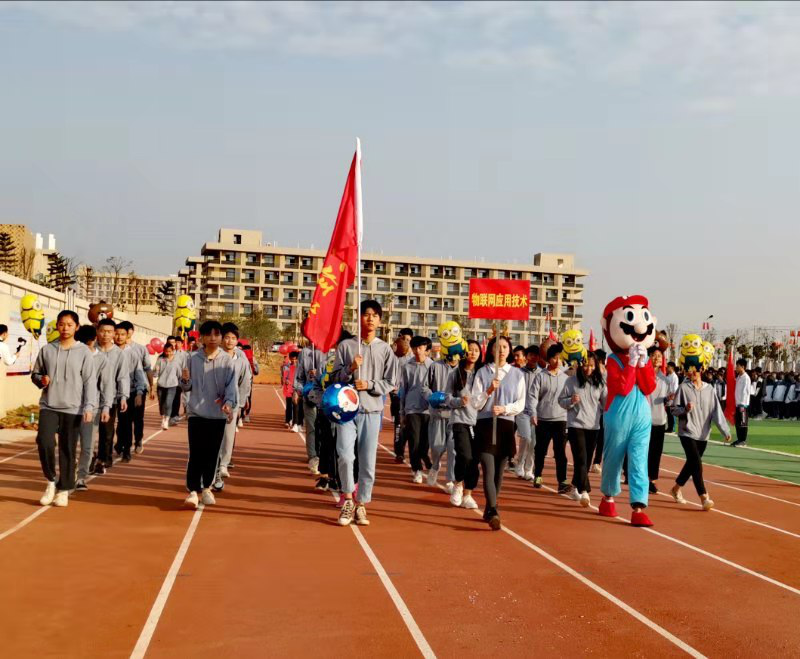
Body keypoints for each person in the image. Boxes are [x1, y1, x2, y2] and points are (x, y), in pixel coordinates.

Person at [331, 300, 398, 527]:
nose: (370, 318)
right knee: (345, 455)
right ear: (359, 317)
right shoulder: (346, 346)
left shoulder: (385, 349)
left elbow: (391, 381)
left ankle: (361, 503)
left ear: (380, 320)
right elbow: (335, 377)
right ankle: (348, 498)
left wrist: (369, 384)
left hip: (372, 410)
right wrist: (350, 368)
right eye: (366, 314)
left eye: (374, 315)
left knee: (368, 460)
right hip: (346, 411)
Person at [32, 310, 97, 508]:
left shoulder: (84, 352)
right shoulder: (47, 350)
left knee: (67, 449)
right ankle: (51, 481)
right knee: (44, 441)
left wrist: (89, 406)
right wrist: (41, 380)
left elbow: (90, 381)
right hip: (49, 405)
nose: (65, 328)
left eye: (69, 324)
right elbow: (36, 374)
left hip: (73, 408)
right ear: (57, 326)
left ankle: (63, 490)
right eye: (61, 324)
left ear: (76, 327)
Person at [179, 320, 238, 509]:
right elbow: (186, 387)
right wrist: (185, 380)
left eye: (216, 334)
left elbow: (231, 387)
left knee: (212, 454)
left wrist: (228, 404)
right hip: (196, 413)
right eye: (208, 334)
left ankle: (206, 488)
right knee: (196, 453)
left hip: (217, 415)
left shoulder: (227, 361)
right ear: (202, 338)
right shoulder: (191, 358)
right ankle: (192, 491)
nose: (213, 338)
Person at [472, 336, 525, 530]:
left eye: (504, 347)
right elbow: (475, 403)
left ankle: (489, 507)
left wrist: (505, 409)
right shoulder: (482, 372)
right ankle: (494, 510)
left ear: (509, 350)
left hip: (505, 425)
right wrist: (488, 390)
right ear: (491, 350)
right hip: (485, 424)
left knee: (499, 474)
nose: (501, 350)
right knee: (488, 469)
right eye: (497, 347)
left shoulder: (517, 374)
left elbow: (521, 403)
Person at [670, 363, 731, 510]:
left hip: (703, 434)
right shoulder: (683, 388)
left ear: (701, 370)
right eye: (690, 370)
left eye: (695, 370)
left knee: (691, 464)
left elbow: (716, 411)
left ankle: (676, 489)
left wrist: (725, 430)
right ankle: (704, 497)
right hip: (687, 431)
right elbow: (673, 409)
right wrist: (685, 409)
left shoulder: (709, 389)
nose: (693, 373)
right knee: (696, 463)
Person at [559, 351, 606, 507]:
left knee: (586, 461)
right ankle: (585, 491)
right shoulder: (571, 381)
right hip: (576, 425)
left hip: (594, 426)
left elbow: (606, 403)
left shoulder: (600, 383)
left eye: (592, 366)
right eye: (586, 365)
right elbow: (561, 401)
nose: (588, 369)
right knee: (581, 459)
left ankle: (575, 486)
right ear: (580, 365)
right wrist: (571, 400)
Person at [213, 322, 252, 490]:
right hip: (214, 402)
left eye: (233, 338)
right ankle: (213, 464)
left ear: (237, 340)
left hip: (232, 403)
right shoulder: (215, 356)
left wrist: (241, 402)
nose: (229, 341)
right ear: (222, 339)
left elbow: (245, 382)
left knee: (228, 436)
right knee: (215, 435)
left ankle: (224, 464)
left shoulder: (241, 360)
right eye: (227, 337)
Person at [446, 339, 483, 509]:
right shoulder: (455, 374)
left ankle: (468, 494)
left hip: (479, 421)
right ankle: (458, 484)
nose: (473, 353)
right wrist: (458, 401)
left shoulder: (482, 374)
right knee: (464, 455)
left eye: (476, 350)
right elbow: (447, 398)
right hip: (460, 420)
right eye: (470, 349)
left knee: (475, 460)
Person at [74, 324, 111, 491]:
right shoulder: (73, 355)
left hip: (91, 408)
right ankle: (70, 472)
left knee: (87, 445)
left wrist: (106, 407)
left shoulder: (102, 360)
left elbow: (106, 385)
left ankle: (81, 477)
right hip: (70, 407)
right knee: (70, 444)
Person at [530, 343, 570, 492]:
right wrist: (533, 413)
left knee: (560, 452)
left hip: (561, 419)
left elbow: (569, 398)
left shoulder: (566, 378)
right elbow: (533, 397)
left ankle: (562, 481)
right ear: (548, 359)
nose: (557, 361)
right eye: (554, 358)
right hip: (543, 419)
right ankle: (538, 475)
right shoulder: (540, 376)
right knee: (540, 450)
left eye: (559, 358)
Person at [93, 318, 129, 475]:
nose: (105, 335)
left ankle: (104, 458)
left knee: (106, 431)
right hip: (90, 398)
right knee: (88, 431)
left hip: (110, 399)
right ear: (97, 332)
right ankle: (90, 456)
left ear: (114, 334)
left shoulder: (119, 354)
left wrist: (123, 396)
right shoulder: (90, 350)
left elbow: (123, 377)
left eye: (109, 332)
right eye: (102, 331)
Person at [399, 335, 433, 484]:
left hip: (428, 409)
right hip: (412, 408)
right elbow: (403, 389)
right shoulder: (407, 366)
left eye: (420, 347)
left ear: (426, 349)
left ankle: (426, 458)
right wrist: (402, 412)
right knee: (414, 440)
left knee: (425, 443)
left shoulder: (433, 366)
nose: (417, 351)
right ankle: (417, 469)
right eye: (414, 348)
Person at [423, 349, 458, 491]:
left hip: (455, 416)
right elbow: (425, 387)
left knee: (453, 449)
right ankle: (435, 465)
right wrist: (431, 397)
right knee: (437, 447)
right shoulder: (435, 366)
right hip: (437, 414)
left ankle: (450, 480)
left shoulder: (462, 370)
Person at [119, 321, 153, 454]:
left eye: (126, 332)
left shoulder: (140, 349)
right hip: (121, 391)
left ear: (131, 332)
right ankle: (122, 442)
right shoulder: (114, 349)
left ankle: (138, 440)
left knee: (138, 418)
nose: (122, 336)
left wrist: (150, 386)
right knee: (124, 420)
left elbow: (147, 368)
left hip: (138, 388)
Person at [114, 323, 146, 463]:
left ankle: (127, 449)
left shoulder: (132, 353)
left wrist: (139, 393)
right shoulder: (109, 352)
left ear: (127, 335)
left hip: (129, 393)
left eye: (122, 334)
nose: (119, 337)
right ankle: (118, 443)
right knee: (117, 424)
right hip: (111, 394)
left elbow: (139, 375)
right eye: (117, 333)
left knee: (126, 423)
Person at [293, 340, 327, 473]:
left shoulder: (330, 353)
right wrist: (298, 390)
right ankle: (313, 457)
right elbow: (299, 377)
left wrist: (319, 374)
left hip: (327, 398)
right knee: (311, 427)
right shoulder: (305, 355)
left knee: (325, 429)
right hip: (310, 396)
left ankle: (324, 455)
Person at [646, 347, 669, 494]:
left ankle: (652, 480)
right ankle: (640, 477)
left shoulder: (665, 380)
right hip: (644, 420)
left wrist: (669, 399)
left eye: (659, 356)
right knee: (644, 452)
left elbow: (668, 401)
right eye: (654, 355)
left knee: (656, 453)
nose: (657, 358)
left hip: (660, 420)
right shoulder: (643, 375)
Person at [514, 345, 538, 481]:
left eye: (536, 355)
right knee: (526, 437)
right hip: (522, 411)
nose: (533, 357)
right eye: (530, 355)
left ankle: (529, 469)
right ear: (526, 356)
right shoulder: (519, 373)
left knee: (533, 441)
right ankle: (520, 464)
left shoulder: (541, 373)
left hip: (536, 412)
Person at [390, 328, 414, 462]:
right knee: (399, 424)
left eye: (409, 340)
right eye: (404, 339)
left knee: (410, 425)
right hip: (397, 396)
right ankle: (399, 452)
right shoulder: (394, 356)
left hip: (411, 397)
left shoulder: (414, 358)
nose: (406, 342)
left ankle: (413, 452)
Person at [153, 341, 182, 431]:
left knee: (168, 403)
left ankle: (166, 420)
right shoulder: (160, 360)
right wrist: (156, 371)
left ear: (173, 351)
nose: (168, 353)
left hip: (172, 385)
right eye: (166, 351)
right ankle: (163, 417)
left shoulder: (177, 361)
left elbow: (179, 374)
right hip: (161, 385)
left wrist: (178, 383)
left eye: (170, 351)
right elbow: (155, 374)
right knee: (161, 403)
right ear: (164, 351)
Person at [590, 349, 607, 472]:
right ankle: (588, 460)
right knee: (593, 438)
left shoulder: (608, 374)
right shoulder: (592, 374)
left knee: (601, 438)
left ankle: (596, 462)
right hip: (593, 411)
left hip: (605, 411)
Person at [730, 358, 752, 447]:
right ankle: (739, 439)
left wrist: (742, 404)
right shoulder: (739, 377)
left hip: (743, 404)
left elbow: (746, 392)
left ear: (743, 367)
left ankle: (743, 440)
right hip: (737, 403)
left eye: (738, 366)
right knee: (738, 423)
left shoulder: (746, 378)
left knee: (743, 422)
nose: (736, 368)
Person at [282, 351, 299, 430]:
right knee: (288, 405)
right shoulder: (287, 367)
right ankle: (287, 420)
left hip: (296, 389)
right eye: (292, 359)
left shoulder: (299, 367)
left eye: (295, 359)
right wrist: (286, 380)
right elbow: (284, 377)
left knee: (295, 406)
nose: (293, 361)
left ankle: (295, 423)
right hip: (288, 389)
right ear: (290, 359)